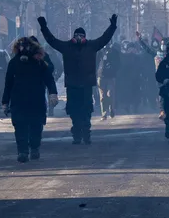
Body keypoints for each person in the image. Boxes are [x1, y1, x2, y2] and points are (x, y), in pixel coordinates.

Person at [38, 14, 117, 145]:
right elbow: (52, 41)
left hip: (85, 84)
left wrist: (112, 27)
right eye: (77, 35)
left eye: (81, 35)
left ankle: (86, 134)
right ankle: (77, 135)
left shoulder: (91, 46)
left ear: (84, 37)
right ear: (73, 37)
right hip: (73, 85)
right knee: (74, 112)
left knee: (86, 111)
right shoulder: (67, 46)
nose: (79, 37)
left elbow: (105, 38)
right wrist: (43, 27)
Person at [2, 37, 59, 163]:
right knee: (20, 127)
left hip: (36, 100)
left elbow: (49, 79)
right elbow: (8, 83)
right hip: (19, 101)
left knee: (36, 126)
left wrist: (53, 94)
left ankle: (34, 148)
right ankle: (23, 151)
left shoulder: (39, 62)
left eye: (27, 47)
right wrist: (5, 102)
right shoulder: (14, 63)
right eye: (22, 47)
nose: (24, 49)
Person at [98, 43, 121, 120]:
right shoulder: (100, 51)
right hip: (101, 76)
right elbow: (96, 62)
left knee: (110, 94)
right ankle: (104, 113)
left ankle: (112, 109)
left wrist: (113, 69)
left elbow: (118, 63)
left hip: (111, 76)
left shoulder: (114, 52)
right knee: (102, 96)